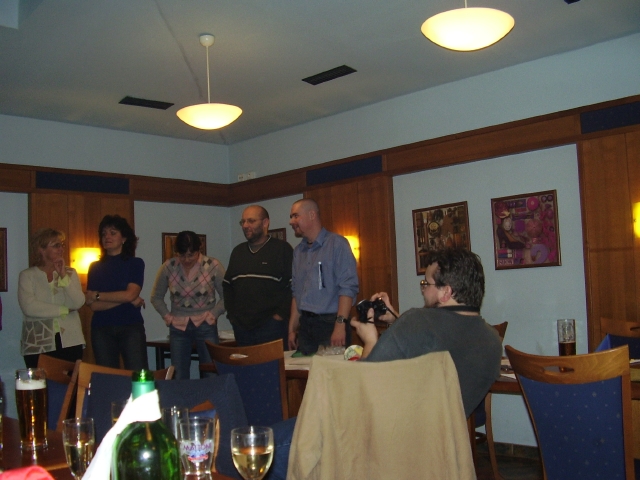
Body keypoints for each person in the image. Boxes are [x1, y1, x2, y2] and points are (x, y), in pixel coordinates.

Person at [266, 248, 502, 480]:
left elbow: (360, 389)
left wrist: (370, 341)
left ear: (446, 292)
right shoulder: (492, 341)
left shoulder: (417, 321)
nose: (423, 290)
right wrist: (397, 321)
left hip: (374, 444)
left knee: (263, 446)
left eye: (426, 284)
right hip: (433, 454)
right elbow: (438, 348)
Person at [151, 231, 226, 379]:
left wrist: (213, 314)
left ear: (199, 250)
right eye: (182, 255)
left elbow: (228, 295)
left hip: (205, 325)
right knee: (178, 373)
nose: (186, 259)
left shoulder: (213, 265)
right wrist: (167, 317)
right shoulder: (169, 267)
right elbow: (156, 297)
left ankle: (211, 395)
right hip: (178, 327)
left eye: (191, 255)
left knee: (210, 371)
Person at [287, 198, 359, 355]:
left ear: (312, 215)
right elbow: (296, 293)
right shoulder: (298, 252)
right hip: (305, 326)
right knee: (306, 370)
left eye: (296, 216)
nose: (291, 222)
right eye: (291, 217)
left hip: (330, 324)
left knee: (332, 370)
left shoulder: (337, 244)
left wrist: (340, 325)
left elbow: (347, 288)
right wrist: (292, 329)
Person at [84, 215, 148, 370]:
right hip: (102, 328)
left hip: (130, 326)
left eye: (113, 233)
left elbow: (130, 294)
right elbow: (94, 306)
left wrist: (97, 295)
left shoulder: (135, 263)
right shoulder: (95, 267)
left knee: (138, 374)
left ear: (124, 238)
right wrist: (127, 299)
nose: (107, 237)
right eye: (104, 234)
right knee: (108, 377)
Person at [223, 206, 293, 346]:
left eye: (251, 221)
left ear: (265, 222)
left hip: (272, 327)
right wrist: (232, 316)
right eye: (243, 222)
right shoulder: (238, 252)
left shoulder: (282, 249)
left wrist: (280, 315)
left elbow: (293, 285)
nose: (245, 225)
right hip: (242, 328)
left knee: (273, 361)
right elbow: (227, 285)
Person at [18, 228, 85, 368]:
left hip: (70, 340)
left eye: (62, 245)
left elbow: (78, 302)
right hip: (37, 342)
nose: (61, 249)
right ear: (41, 250)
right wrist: (65, 310)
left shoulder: (70, 273)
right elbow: (29, 307)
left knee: (70, 381)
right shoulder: (27, 275)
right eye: (56, 245)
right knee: (40, 381)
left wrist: (63, 276)